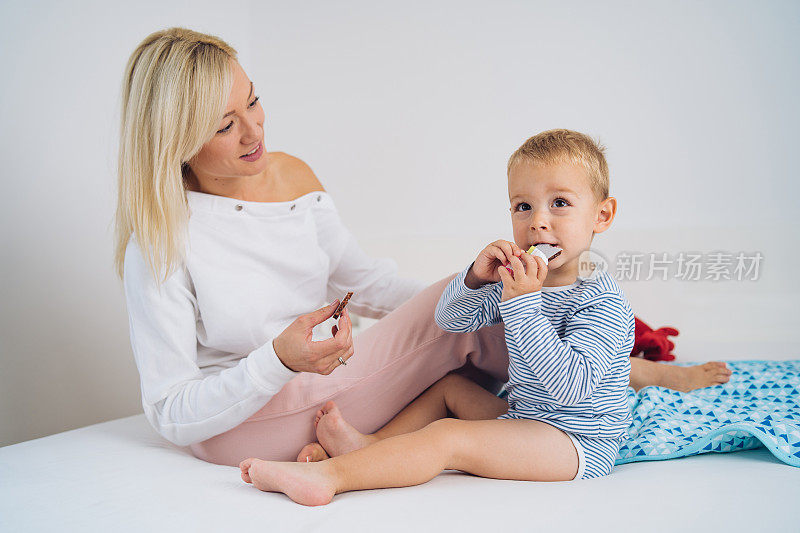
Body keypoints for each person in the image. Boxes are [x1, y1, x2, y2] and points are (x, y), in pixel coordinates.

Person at [115, 28, 731, 468]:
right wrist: (278, 358)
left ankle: (631, 370)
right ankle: (632, 371)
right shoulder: (163, 236)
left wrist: (469, 294)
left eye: (253, 101)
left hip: (331, 378)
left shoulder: (289, 173)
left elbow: (369, 283)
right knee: (505, 309)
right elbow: (170, 412)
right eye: (225, 126)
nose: (256, 131)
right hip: (245, 421)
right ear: (179, 141)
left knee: (491, 305)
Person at [238, 130, 641, 504]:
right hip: (526, 418)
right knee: (450, 389)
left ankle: (331, 477)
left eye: (560, 203)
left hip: (577, 443)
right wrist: (473, 280)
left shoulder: (601, 302)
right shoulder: (517, 286)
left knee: (448, 438)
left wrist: (522, 305)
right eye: (523, 206)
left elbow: (570, 389)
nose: (537, 220)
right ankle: (371, 444)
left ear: (602, 216)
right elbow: (451, 321)